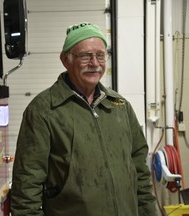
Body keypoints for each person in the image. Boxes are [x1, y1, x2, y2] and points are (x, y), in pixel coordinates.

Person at [10, 22, 157, 216]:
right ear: (65, 60)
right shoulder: (43, 111)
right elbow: (26, 189)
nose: (95, 63)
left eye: (100, 55)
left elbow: (141, 175)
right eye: (85, 55)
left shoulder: (119, 106)